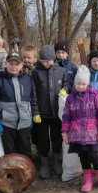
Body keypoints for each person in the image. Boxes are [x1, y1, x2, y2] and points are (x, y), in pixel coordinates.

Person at [62, 65, 98, 192]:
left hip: (92, 133)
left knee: (95, 155)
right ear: (74, 83)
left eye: (83, 84)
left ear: (87, 83)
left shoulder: (94, 95)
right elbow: (66, 116)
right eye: (78, 84)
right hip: (77, 133)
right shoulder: (70, 98)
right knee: (83, 156)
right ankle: (88, 180)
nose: (81, 86)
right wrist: (64, 131)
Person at [0, 52, 37, 157]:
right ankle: (11, 168)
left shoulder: (27, 79)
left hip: (24, 123)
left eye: (17, 64)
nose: (14, 67)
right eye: (11, 64)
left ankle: (26, 168)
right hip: (7, 124)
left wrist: (32, 116)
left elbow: (32, 99)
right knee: (9, 152)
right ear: (6, 63)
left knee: (25, 150)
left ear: (22, 65)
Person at [31, 45, 67, 179]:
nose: (46, 63)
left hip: (57, 112)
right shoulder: (36, 73)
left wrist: (65, 89)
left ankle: (57, 160)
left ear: (54, 59)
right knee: (43, 139)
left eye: (49, 61)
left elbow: (66, 84)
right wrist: (35, 112)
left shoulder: (61, 70)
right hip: (42, 112)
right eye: (44, 61)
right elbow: (33, 94)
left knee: (57, 137)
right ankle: (44, 162)